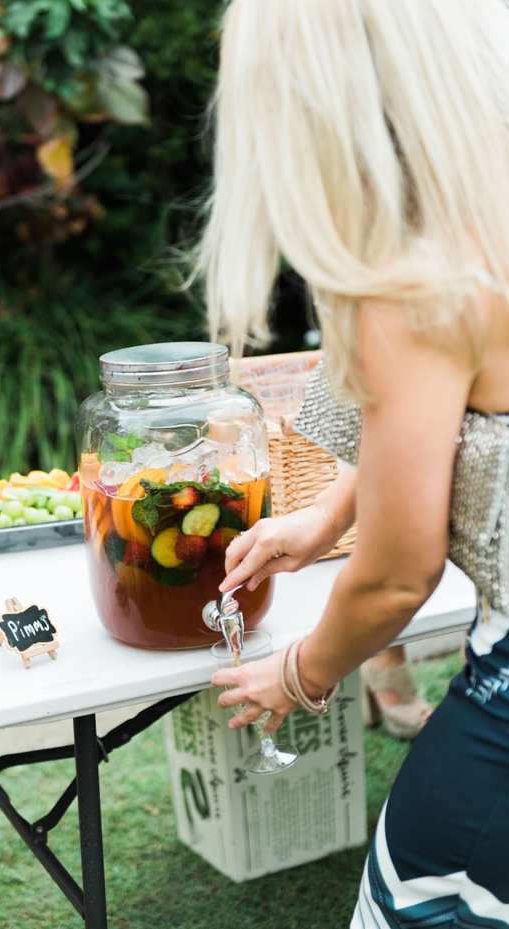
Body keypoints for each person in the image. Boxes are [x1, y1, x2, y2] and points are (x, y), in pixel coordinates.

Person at [199, 1, 509, 925]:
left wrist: (298, 670)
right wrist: (323, 516)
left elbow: (394, 579)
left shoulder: (414, 278)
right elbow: (465, 427)